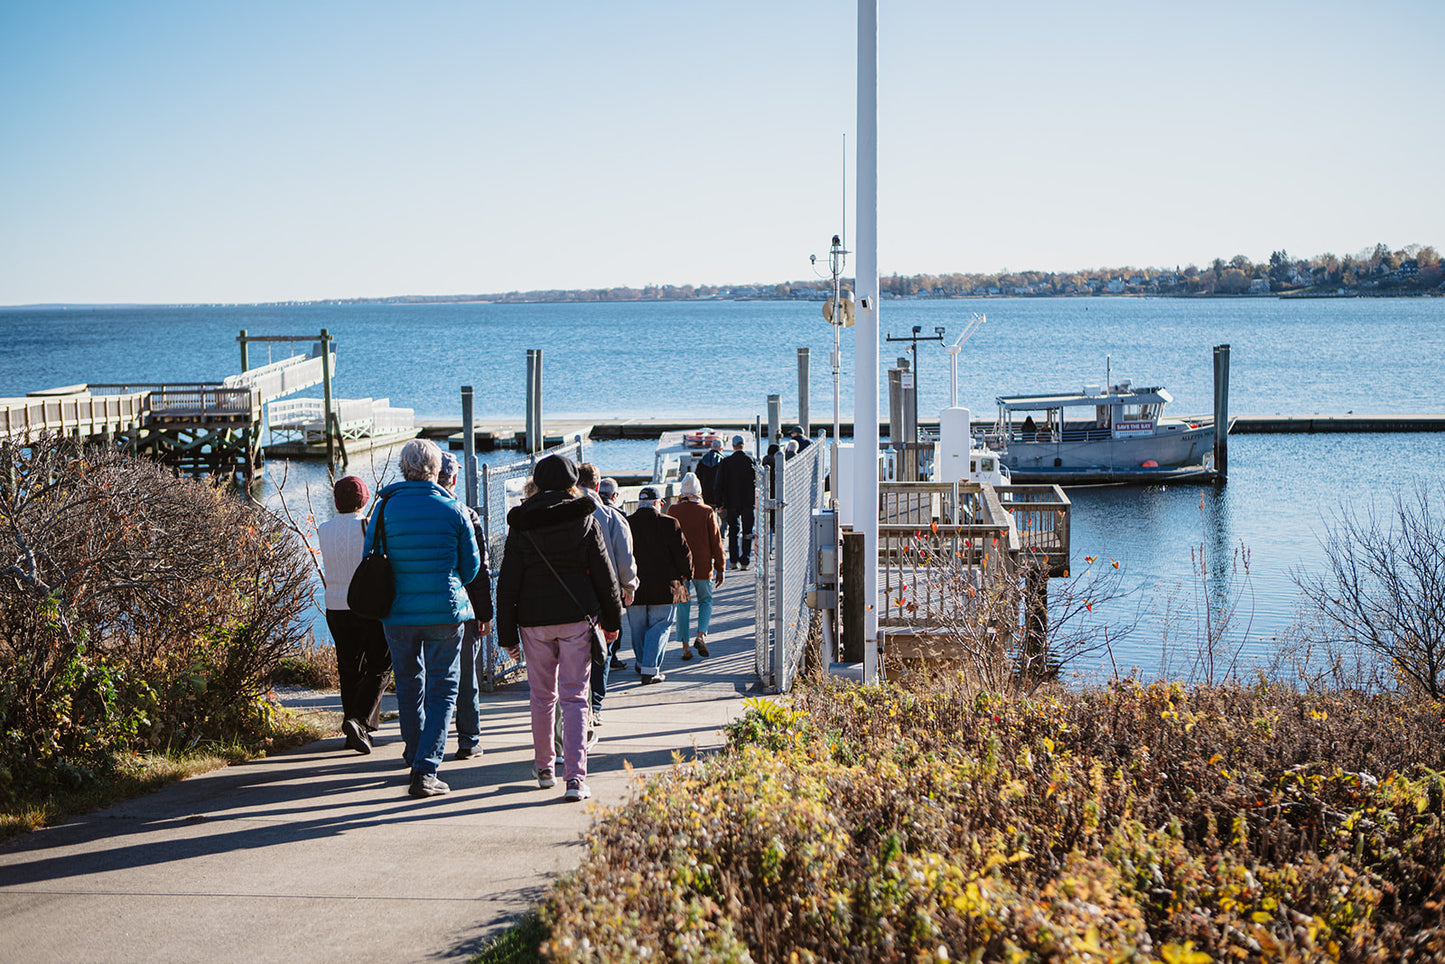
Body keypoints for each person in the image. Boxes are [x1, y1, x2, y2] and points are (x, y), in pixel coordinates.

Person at [496, 455, 622, 803]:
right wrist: (612, 623)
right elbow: (605, 576)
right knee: (575, 697)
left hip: (533, 622)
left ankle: (544, 768)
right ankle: (576, 779)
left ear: (536, 483)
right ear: (572, 483)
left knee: (541, 697)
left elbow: (507, 584)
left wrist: (506, 635)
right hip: (577, 619)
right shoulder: (585, 519)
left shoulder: (521, 524)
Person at [367, 438, 481, 798]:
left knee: (408, 683)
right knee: (443, 688)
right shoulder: (454, 510)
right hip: (443, 612)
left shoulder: (384, 508)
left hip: (397, 612)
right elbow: (472, 567)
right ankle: (426, 768)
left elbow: (369, 553)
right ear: (436, 469)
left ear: (404, 467)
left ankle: (415, 753)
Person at [316, 475, 393, 755]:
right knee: (381, 665)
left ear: (336, 500)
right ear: (364, 499)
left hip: (335, 605)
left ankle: (354, 731)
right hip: (366, 604)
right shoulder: (367, 525)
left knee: (349, 668)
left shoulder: (324, 529)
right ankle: (359, 720)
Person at [436, 452, 494, 761]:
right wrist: (485, 612)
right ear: (454, 478)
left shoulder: (406, 511)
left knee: (427, 678)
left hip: (413, 611)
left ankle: (426, 740)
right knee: (465, 678)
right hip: (461, 608)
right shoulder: (466, 514)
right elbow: (478, 569)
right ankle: (469, 739)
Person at [576, 462, 638, 726]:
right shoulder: (614, 518)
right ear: (598, 486)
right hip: (605, 596)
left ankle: (575, 703)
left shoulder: (562, 514)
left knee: (572, 653)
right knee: (602, 651)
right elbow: (625, 560)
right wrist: (629, 587)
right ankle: (595, 706)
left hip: (571, 597)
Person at [626, 485, 693, 683]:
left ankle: (641, 663)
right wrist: (687, 574)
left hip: (634, 586)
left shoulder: (627, 523)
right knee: (660, 625)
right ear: (658, 503)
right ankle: (650, 668)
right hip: (664, 587)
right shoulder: (670, 523)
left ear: (639, 504)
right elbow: (684, 554)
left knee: (637, 628)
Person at [667, 472, 724, 659]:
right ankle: (700, 635)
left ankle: (685, 647)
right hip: (703, 564)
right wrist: (720, 566)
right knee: (705, 601)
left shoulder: (673, 511)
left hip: (680, 566)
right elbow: (716, 541)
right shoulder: (707, 511)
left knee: (683, 604)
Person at [715, 434, 758, 569]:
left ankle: (733, 561)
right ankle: (745, 561)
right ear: (743, 445)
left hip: (731, 502)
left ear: (733, 446)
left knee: (733, 531)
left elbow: (719, 484)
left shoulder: (726, 462)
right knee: (747, 532)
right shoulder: (751, 461)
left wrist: (719, 503)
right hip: (748, 502)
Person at [695, 437, 725, 513]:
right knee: (724, 521)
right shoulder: (724, 461)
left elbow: (697, 478)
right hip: (720, 497)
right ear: (721, 448)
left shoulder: (702, 461)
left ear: (711, 447)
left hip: (705, 496)